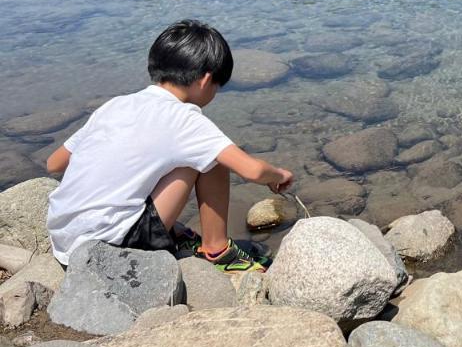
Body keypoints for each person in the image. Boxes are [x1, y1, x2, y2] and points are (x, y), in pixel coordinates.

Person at [45, 20, 295, 272]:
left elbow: (54, 163)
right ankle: (217, 249)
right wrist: (278, 175)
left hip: (64, 239)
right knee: (213, 158)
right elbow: (252, 171)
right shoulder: (186, 119)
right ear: (206, 80)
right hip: (113, 246)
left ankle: (177, 235)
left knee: (155, 162)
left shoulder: (116, 105)